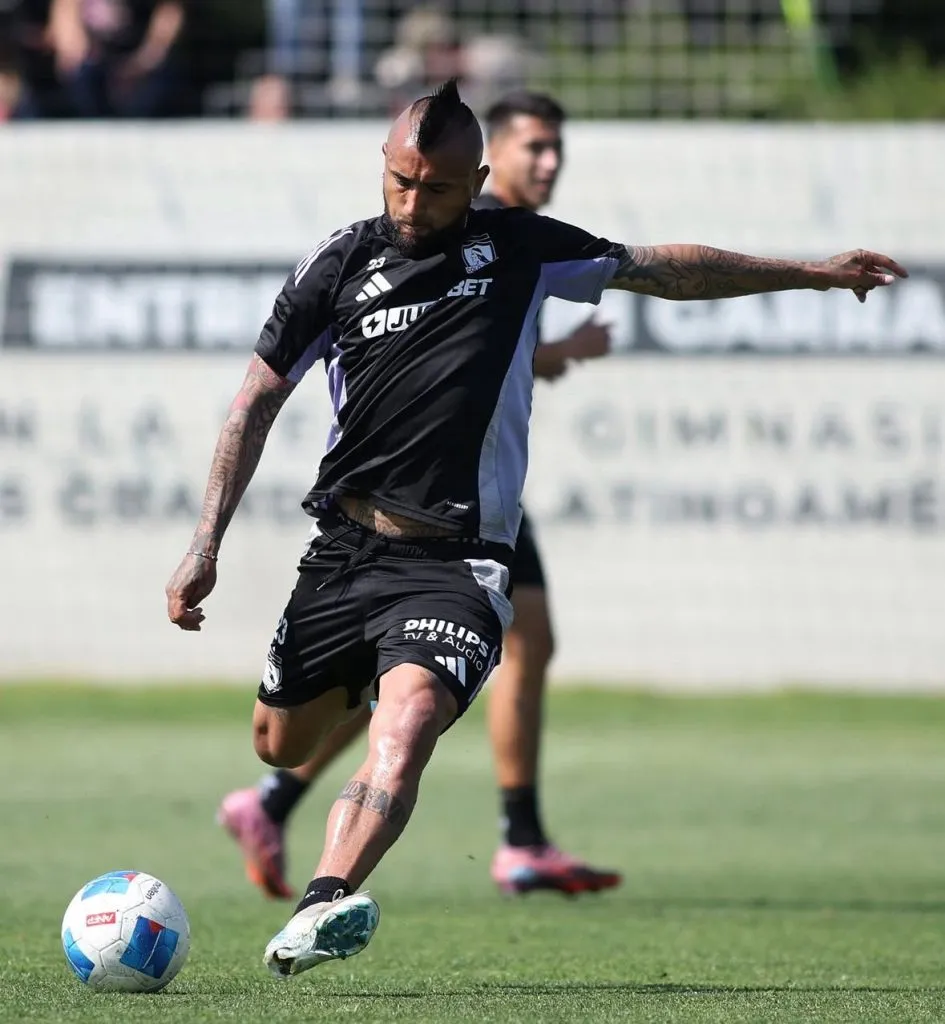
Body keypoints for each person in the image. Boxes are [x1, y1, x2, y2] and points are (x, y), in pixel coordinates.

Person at [165, 79, 906, 978]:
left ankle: (323, 904)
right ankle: (305, 765)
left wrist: (810, 272)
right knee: (277, 742)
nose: (412, 204)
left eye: (436, 189)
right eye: (399, 181)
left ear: (474, 181)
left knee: (409, 722)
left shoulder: (515, 247)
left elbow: (661, 269)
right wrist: (205, 546)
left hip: (459, 564)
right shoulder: (339, 263)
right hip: (343, 553)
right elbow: (254, 403)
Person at [217, 89, 622, 903]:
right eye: (531, 148)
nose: (544, 164)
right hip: (409, 506)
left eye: (555, 152)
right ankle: (286, 796)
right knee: (459, 661)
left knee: (448, 672)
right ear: (491, 160)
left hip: (473, 506)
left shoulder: (510, 240)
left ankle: (515, 835)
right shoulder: (457, 225)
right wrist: (568, 348)